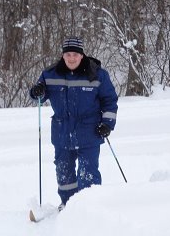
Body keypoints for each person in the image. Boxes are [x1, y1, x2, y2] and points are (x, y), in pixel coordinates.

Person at [30, 37, 118, 211]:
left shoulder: (97, 74)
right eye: (68, 54)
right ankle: (68, 206)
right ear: (63, 56)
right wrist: (36, 92)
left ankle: (89, 208)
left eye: (75, 54)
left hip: (90, 132)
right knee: (64, 174)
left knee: (88, 175)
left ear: (82, 55)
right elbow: (38, 95)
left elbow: (110, 100)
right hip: (62, 133)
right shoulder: (50, 74)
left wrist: (107, 123)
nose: (72, 58)